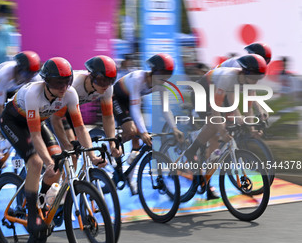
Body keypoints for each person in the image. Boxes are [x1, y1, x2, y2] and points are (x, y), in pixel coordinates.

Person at [0, 57, 105, 239]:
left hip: (37, 121)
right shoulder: (34, 93)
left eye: (67, 82)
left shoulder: (70, 94)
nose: (63, 88)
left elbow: (80, 128)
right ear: (46, 82)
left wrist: (93, 156)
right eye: (58, 83)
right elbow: (34, 135)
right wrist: (48, 162)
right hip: (14, 121)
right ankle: (32, 212)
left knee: (59, 161)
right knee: (36, 162)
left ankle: (40, 198)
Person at [182, 54, 267, 199]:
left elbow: (246, 109)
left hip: (219, 93)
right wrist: (221, 130)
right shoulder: (228, 78)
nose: (255, 82)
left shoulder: (246, 81)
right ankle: (192, 151)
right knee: (215, 128)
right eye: (254, 78)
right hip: (203, 91)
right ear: (244, 73)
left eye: (258, 79)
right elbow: (216, 109)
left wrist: (251, 128)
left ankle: (206, 177)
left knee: (232, 123)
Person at [112, 53, 184, 187]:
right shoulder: (138, 79)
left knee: (137, 145)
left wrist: (174, 128)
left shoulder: (162, 84)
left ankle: (129, 177)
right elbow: (135, 109)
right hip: (117, 98)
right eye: (162, 75)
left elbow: (165, 109)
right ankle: (112, 148)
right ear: (154, 71)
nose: (165, 79)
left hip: (131, 101)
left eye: (168, 76)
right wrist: (143, 132)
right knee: (132, 130)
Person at [50, 55, 121, 163]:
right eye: (102, 81)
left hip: (68, 110)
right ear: (91, 77)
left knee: (74, 154)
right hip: (52, 111)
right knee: (70, 151)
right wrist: (66, 145)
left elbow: (107, 116)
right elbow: (56, 119)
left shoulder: (107, 88)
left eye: (110, 81)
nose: (106, 86)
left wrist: (112, 143)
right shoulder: (72, 87)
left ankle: (70, 179)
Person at [0, 50, 41, 179]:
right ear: (18, 69)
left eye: (31, 74)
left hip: (10, 89)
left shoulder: (33, 77)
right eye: (26, 73)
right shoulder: (5, 75)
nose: (28, 78)